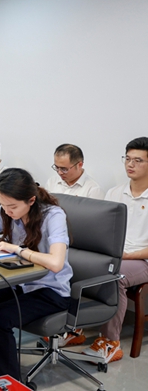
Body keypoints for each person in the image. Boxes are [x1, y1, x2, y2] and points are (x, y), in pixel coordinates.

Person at [0, 168, 72, 382]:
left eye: (12, 207)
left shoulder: (53, 216)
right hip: (22, 284)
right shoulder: (6, 209)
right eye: (2, 205)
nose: (7, 211)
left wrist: (17, 249)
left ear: (31, 200)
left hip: (51, 291)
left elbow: (56, 263)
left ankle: (8, 383)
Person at [83, 137, 148, 363]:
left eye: (138, 160)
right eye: (127, 159)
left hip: (142, 260)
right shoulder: (115, 193)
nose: (130, 164)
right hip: (117, 255)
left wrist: (126, 255)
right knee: (77, 265)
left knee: (114, 275)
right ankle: (73, 330)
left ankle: (111, 342)